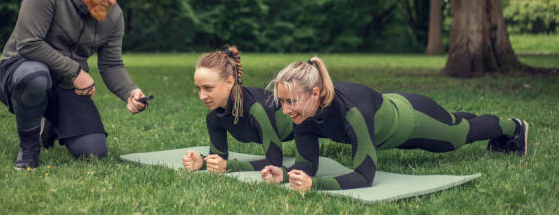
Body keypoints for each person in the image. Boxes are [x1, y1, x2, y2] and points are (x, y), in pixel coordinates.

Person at [261, 57, 529, 191]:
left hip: (413, 118)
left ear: (316, 94)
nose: (285, 110)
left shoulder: (352, 111)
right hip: (391, 121)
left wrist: (316, 185)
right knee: (455, 123)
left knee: (459, 135)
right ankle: (458, 117)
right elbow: (307, 164)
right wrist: (283, 175)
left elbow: (364, 176)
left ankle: (514, 127)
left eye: (291, 101)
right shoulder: (302, 113)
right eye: (282, 102)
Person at [0, 0, 149, 170]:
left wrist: (129, 92)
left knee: (93, 151)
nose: (113, 0)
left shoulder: (114, 16)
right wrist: (76, 71)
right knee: (36, 77)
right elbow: (28, 44)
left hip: (65, 86)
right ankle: (29, 147)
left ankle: (50, 124)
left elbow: (111, 63)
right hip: (19, 72)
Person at [182, 46, 294, 174]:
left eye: (208, 88)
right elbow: (218, 158)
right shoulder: (214, 117)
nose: (201, 96)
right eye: (198, 88)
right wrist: (202, 162)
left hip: (307, 122)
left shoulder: (257, 109)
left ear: (230, 82)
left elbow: (275, 162)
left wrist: (229, 166)